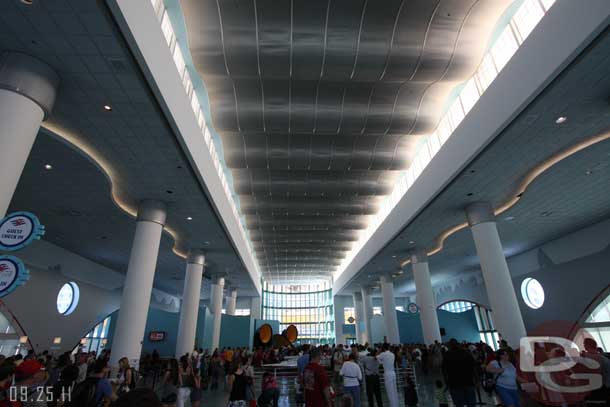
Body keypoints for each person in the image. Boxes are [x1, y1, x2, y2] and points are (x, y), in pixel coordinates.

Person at [442, 338, 476, 407]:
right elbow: (473, 367)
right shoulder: (466, 353)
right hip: (468, 381)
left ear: (450, 345)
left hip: (454, 383)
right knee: (471, 403)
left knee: (459, 403)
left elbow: (444, 371)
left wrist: (446, 383)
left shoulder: (447, 355)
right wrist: (476, 380)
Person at [377, 343, 399, 407]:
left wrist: (379, 351)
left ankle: (393, 405)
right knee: (394, 390)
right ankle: (396, 405)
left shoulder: (383, 354)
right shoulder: (392, 354)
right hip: (393, 373)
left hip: (387, 373)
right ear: (388, 347)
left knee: (390, 392)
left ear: (383, 348)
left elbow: (376, 357)